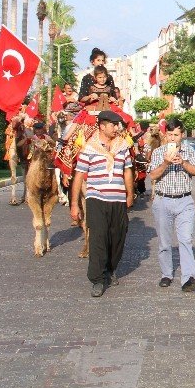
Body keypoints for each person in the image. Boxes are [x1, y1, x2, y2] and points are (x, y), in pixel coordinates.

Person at [70, 110, 135, 298]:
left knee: (118, 236)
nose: (117, 128)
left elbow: (127, 171)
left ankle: (110, 269)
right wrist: (75, 204)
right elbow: (79, 176)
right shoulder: (88, 149)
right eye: (113, 125)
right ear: (102, 126)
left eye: (118, 125)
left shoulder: (122, 147)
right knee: (98, 238)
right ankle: (97, 279)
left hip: (118, 199)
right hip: (96, 198)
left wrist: (129, 193)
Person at [147, 118, 195, 292]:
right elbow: (153, 176)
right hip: (163, 199)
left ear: (182, 136)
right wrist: (166, 162)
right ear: (166, 135)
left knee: (186, 239)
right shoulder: (158, 152)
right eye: (170, 135)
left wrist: (183, 163)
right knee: (165, 242)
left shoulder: (188, 151)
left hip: (184, 200)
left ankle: (188, 278)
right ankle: (166, 274)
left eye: (176, 135)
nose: (173, 138)